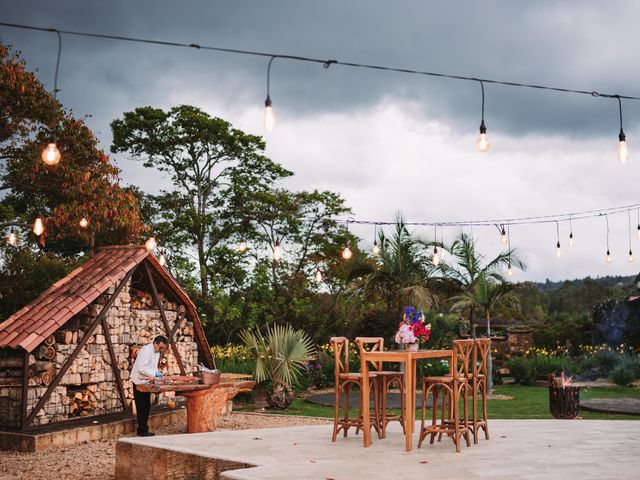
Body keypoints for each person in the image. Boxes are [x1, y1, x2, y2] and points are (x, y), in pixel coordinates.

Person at [130, 335, 168, 436]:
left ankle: (142, 429)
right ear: (155, 343)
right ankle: (142, 430)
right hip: (139, 381)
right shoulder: (146, 351)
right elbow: (141, 368)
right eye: (160, 347)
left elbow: (153, 367)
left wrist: (157, 375)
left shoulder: (156, 352)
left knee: (146, 406)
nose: (161, 350)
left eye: (163, 348)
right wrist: (154, 374)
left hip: (146, 382)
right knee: (141, 406)